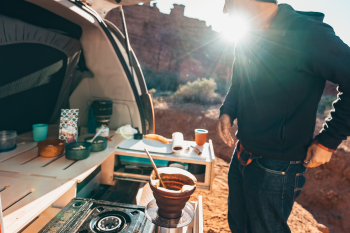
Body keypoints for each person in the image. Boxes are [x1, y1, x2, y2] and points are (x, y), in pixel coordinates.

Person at [217, 0, 350, 232]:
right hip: (241, 153)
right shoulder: (247, 33)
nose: (225, 9)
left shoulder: (308, 34)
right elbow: (240, 79)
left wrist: (329, 141)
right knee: (238, 226)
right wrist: (228, 109)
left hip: (276, 167)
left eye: (228, 1)